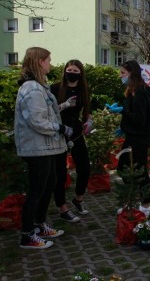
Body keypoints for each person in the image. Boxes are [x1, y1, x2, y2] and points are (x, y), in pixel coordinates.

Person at [14, 47, 70, 249]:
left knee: (49, 184)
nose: (51, 64)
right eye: (48, 60)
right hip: (36, 148)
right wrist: (60, 127)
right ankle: (27, 235)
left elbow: (47, 111)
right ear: (39, 62)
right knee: (37, 190)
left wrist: (62, 107)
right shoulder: (31, 88)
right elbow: (37, 120)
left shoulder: (39, 86)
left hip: (46, 147)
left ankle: (39, 224)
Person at [107, 60, 150, 216]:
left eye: (123, 73)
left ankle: (146, 206)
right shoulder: (133, 90)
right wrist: (123, 126)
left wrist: (122, 111)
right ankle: (133, 200)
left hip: (139, 138)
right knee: (124, 167)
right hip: (133, 135)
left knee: (139, 170)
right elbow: (133, 113)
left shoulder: (140, 92)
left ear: (132, 74)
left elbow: (140, 119)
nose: (120, 76)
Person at [51, 59, 93, 223]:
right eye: (70, 70)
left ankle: (78, 199)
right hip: (58, 132)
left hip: (75, 132)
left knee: (84, 167)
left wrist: (89, 121)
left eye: (76, 71)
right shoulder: (55, 88)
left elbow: (87, 109)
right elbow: (47, 111)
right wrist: (64, 105)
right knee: (60, 173)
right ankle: (62, 207)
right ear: (65, 71)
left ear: (80, 73)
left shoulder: (83, 89)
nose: (72, 73)